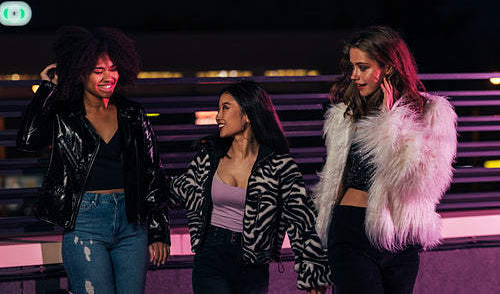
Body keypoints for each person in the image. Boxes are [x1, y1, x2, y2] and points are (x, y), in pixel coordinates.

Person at [17, 26, 170, 294]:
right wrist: (47, 89)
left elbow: (153, 173)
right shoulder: (65, 115)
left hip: (132, 224)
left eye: (113, 68)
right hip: (85, 223)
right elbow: (28, 140)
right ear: (81, 72)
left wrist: (158, 231)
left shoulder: (133, 114)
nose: (107, 77)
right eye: (98, 70)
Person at [313, 26, 457, 294]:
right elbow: (334, 180)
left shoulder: (432, 113)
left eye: (362, 67)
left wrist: (393, 122)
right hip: (350, 231)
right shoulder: (346, 115)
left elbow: (426, 182)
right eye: (352, 67)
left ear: (388, 68)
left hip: (401, 238)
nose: (354, 75)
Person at [167, 80, 331, 294]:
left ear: (247, 115)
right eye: (219, 109)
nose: (218, 116)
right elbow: (173, 191)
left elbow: (302, 220)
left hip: (253, 264)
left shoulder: (280, 166)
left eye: (225, 108)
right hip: (212, 255)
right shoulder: (209, 158)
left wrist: (313, 273)